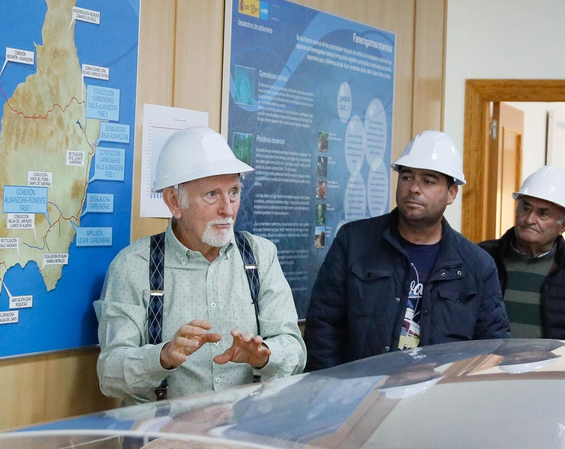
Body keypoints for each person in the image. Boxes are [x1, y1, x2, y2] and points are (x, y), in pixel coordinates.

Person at [94, 126, 304, 404]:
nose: (227, 209)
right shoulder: (134, 265)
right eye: (212, 195)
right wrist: (162, 357)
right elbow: (109, 374)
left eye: (234, 192)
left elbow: (295, 350)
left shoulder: (261, 256)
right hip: (165, 440)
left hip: (244, 435)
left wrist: (265, 355)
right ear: (173, 201)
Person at [305, 130, 508, 369]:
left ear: (451, 193)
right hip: (362, 394)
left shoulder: (476, 265)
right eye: (407, 177)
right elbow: (323, 327)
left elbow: (493, 346)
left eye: (428, 181)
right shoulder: (354, 241)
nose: (414, 188)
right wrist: (336, 392)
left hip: (439, 399)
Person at [479, 165, 565, 340]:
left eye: (543, 214)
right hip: (489, 365)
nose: (530, 220)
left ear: (563, 225)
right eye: (526, 208)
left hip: (555, 367)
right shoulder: (481, 257)